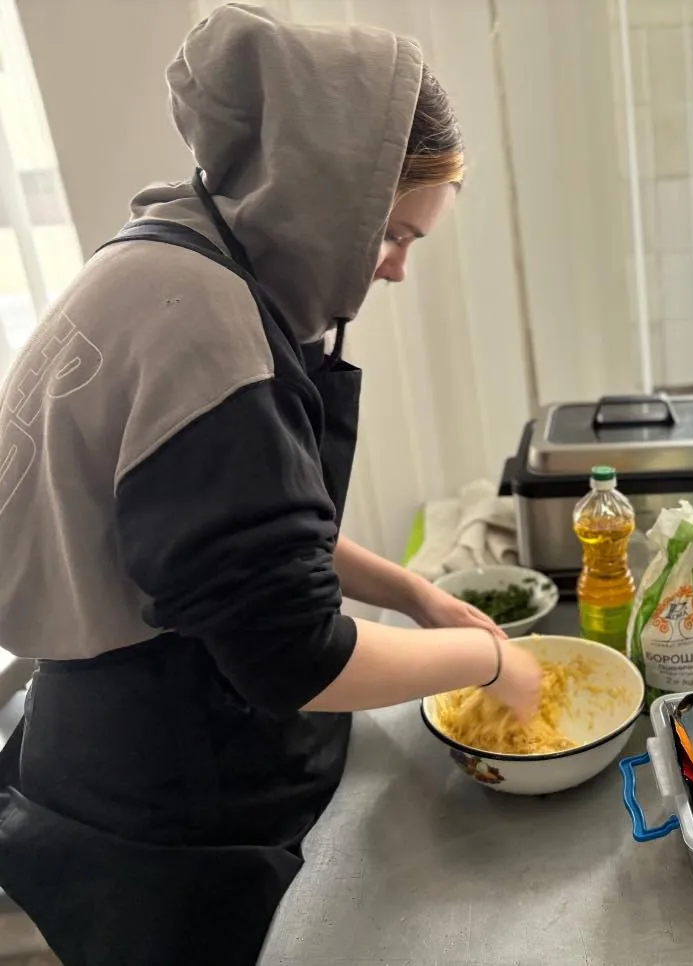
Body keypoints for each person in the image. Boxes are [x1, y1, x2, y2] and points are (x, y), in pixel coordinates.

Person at [0, 6, 541, 965]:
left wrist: (413, 593)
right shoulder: (202, 331)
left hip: (105, 743)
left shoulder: (159, 259)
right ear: (331, 193)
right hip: (164, 800)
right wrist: (491, 664)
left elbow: (240, 529)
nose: (396, 271)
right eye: (395, 235)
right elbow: (299, 659)